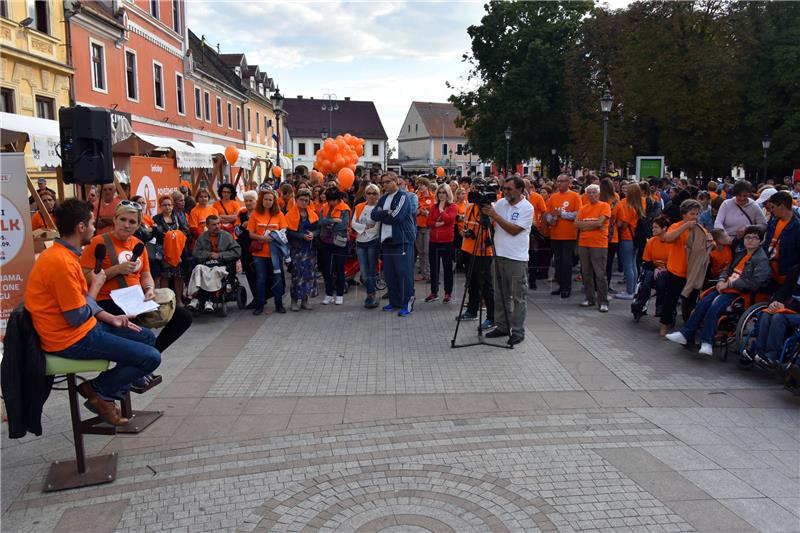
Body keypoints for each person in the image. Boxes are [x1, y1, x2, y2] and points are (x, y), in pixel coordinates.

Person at [24, 199, 159, 426]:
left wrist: (111, 318)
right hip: (70, 338)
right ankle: (99, 390)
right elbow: (76, 316)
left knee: (146, 337)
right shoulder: (61, 262)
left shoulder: (65, 254)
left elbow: (81, 303)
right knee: (151, 358)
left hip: (82, 328)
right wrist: (97, 284)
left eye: (131, 221)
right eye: (91, 223)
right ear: (81, 227)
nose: (95, 227)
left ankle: (104, 391)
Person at [81, 202, 193, 356]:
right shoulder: (97, 242)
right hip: (107, 301)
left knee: (184, 317)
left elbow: (146, 275)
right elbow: (84, 278)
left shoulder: (139, 244)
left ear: (138, 225)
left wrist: (149, 290)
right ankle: (143, 362)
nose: (126, 225)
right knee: (139, 333)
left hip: (136, 301)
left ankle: (149, 358)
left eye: (132, 222)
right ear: (115, 219)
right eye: (123, 219)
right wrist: (116, 270)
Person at [667, 226, 770, 356]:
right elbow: (727, 270)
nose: (750, 240)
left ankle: (707, 342)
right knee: (704, 302)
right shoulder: (741, 253)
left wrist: (730, 283)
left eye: (755, 238)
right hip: (727, 287)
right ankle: (685, 333)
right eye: (748, 237)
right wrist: (722, 280)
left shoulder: (761, 260)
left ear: (761, 241)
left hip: (740, 292)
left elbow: (754, 283)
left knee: (715, 305)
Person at [481, 176, 533, 345]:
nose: (505, 192)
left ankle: (518, 331)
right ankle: (502, 326)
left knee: (518, 296)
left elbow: (513, 230)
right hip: (498, 255)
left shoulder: (527, 207)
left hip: (517, 258)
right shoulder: (501, 203)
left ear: (520, 189)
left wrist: (494, 215)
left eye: (509, 189)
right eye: (504, 188)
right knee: (500, 293)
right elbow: (490, 217)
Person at [371, 172, 416, 317]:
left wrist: (383, 214)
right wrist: (387, 212)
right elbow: (373, 215)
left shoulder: (403, 196)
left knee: (404, 273)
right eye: (382, 182)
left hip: (402, 240)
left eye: (387, 181)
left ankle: (407, 302)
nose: (384, 185)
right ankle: (395, 301)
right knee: (390, 274)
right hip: (387, 241)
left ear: (396, 181)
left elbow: (396, 217)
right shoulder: (383, 198)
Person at [743, 263, 800, 367]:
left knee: (778, 317)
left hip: (796, 311)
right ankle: (759, 351)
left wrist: (785, 308)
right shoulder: (796, 269)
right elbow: (783, 290)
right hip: (787, 308)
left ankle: (771, 355)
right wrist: (775, 302)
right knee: (766, 313)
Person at [659, 199, 702, 337]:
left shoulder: (701, 229)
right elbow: (668, 238)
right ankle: (664, 327)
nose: (695, 217)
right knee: (670, 301)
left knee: (690, 304)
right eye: (691, 213)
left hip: (692, 273)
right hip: (676, 271)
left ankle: (687, 332)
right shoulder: (676, 226)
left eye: (696, 214)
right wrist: (685, 226)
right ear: (684, 214)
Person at [456, 181, 495, 330]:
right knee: (471, 282)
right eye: (473, 190)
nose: (475, 193)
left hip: (484, 251)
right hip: (468, 248)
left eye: (478, 190)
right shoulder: (469, 206)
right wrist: (465, 233)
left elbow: (494, 231)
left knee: (486, 284)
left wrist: (488, 241)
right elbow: (465, 226)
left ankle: (491, 317)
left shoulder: (490, 209)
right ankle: (472, 310)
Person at [186, 215, 241, 312]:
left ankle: (210, 300)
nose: (217, 226)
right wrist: (209, 254)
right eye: (214, 224)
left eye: (219, 224)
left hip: (222, 265)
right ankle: (195, 298)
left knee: (215, 272)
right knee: (197, 269)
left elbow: (237, 251)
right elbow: (196, 253)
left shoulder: (226, 236)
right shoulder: (202, 237)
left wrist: (220, 255)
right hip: (206, 264)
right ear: (207, 225)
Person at [247, 188, 287, 315]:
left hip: (275, 254)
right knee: (260, 279)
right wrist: (262, 238)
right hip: (259, 254)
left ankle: (279, 304)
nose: (268, 202)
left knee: (277, 279)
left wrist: (276, 237)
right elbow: (251, 234)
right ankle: (259, 305)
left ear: (274, 201)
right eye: (266, 199)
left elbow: (284, 231)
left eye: (270, 199)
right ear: (261, 200)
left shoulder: (279, 215)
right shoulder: (255, 214)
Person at [574, 184, 611, 312]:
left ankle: (603, 301)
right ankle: (590, 298)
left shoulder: (604, 206)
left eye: (593, 192)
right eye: (589, 192)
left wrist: (586, 225)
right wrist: (593, 225)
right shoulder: (583, 208)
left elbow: (600, 222)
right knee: (586, 273)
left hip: (599, 244)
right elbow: (577, 224)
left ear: (598, 193)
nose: (591, 195)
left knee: (600, 274)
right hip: (584, 244)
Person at [546, 174, 582, 298]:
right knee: (558, 262)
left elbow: (577, 214)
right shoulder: (553, 197)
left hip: (569, 235)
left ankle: (567, 287)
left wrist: (562, 214)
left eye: (562, 181)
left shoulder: (575, 196)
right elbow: (548, 213)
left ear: (568, 182)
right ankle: (560, 285)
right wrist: (551, 219)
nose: (559, 183)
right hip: (555, 234)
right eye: (558, 181)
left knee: (566, 262)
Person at [285, 188, 319, 311]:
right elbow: (287, 232)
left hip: (310, 250)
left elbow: (318, 229)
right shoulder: (289, 214)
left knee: (309, 276)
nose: (304, 202)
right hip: (296, 250)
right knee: (296, 275)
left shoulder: (313, 214)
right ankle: (294, 301)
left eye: (306, 200)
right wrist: (301, 236)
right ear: (296, 200)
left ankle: (305, 300)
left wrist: (313, 234)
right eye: (301, 200)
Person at [631, 215, 671, 318]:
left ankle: (660, 306)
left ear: (664, 228)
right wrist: (655, 268)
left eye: (656, 227)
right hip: (653, 269)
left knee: (661, 277)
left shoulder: (672, 243)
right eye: (653, 227)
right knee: (648, 275)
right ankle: (642, 301)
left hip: (669, 270)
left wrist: (664, 269)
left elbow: (676, 260)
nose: (653, 229)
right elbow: (646, 261)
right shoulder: (652, 242)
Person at [152, 194, 189, 302]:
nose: (167, 207)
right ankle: (166, 301)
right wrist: (168, 235)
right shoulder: (156, 218)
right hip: (163, 251)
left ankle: (178, 300)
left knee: (178, 276)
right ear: (160, 206)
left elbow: (185, 230)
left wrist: (175, 234)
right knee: (165, 276)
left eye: (169, 205)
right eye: (164, 205)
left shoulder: (177, 216)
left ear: (172, 206)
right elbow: (156, 233)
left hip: (178, 251)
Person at [425, 183, 458, 303]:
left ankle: (447, 293)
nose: (441, 195)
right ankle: (434, 292)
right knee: (434, 268)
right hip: (433, 241)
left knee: (447, 268)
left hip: (447, 242)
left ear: (448, 193)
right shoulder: (433, 207)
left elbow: (449, 220)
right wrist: (437, 223)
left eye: (444, 192)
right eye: (439, 192)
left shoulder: (453, 206)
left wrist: (441, 210)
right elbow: (428, 222)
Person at [318, 187, 351, 305]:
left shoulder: (345, 209)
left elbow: (344, 225)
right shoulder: (324, 207)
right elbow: (320, 222)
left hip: (340, 243)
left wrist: (328, 224)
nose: (332, 202)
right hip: (326, 242)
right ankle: (328, 294)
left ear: (339, 199)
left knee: (339, 269)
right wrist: (333, 221)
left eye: (334, 200)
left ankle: (340, 294)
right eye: (330, 200)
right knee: (327, 270)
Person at [351, 183, 381, 309]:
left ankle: (371, 295)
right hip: (360, 243)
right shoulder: (359, 207)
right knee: (363, 272)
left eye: (374, 193)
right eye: (369, 193)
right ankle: (371, 293)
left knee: (371, 270)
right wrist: (365, 228)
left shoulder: (379, 208)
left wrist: (365, 229)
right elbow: (353, 223)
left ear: (378, 195)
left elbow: (377, 227)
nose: (371, 195)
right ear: (365, 195)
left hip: (373, 242)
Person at [614, 183, 645, 300]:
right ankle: (633, 289)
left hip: (627, 237)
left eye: (627, 189)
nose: (624, 190)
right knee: (633, 265)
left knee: (628, 265)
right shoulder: (640, 203)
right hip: (635, 238)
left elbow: (623, 223)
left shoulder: (626, 204)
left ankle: (630, 291)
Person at [763, 191, 800, 286]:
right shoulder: (773, 223)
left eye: (773, 207)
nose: (771, 210)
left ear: (782, 206)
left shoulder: (797, 227)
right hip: (770, 274)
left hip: (787, 278)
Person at [236, 191, 258, 307]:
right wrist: (241, 226)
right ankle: (256, 297)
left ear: (256, 201)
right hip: (245, 248)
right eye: (246, 201)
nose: (248, 203)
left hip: (259, 248)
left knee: (260, 274)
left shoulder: (260, 213)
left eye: (251, 200)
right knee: (249, 274)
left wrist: (251, 224)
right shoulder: (241, 214)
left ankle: (261, 297)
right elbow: (236, 231)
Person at [414, 178, 433, 281]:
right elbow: (414, 210)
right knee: (420, 251)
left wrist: (425, 212)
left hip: (428, 228)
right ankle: (423, 273)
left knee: (427, 251)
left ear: (427, 186)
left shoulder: (433, 197)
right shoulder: (416, 197)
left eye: (422, 185)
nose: (420, 187)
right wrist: (421, 211)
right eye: (419, 185)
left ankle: (429, 273)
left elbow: (433, 212)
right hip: (417, 227)